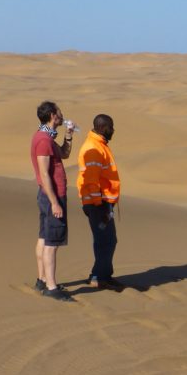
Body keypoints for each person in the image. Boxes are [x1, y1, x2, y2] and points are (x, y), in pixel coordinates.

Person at [31, 101, 74, 301]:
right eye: (59, 112)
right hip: (52, 196)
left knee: (44, 237)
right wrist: (55, 202)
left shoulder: (48, 138)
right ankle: (51, 286)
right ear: (52, 116)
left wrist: (69, 135)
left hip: (50, 195)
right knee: (52, 242)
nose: (62, 115)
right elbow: (44, 174)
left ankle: (42, 280)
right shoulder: (43, 140)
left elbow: (64, 154)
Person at [77, 114, 123, 290]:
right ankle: (98, 276)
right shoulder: (93, 147)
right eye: (111, 127)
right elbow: (91, 179)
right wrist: (98, 204)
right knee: (107, 240)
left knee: (105, 240)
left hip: (103, 203)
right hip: (98, 204)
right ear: (104, 128)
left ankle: (104, 275)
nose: (113, 130)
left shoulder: (99, 145)